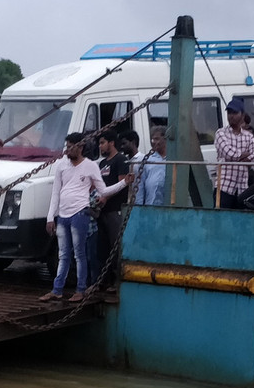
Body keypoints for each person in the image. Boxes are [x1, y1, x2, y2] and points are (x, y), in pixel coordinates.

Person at [41, 133, 132, 303]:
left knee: (79, 253)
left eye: (71, 146)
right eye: (66, 146)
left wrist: (124, 183)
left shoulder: (90, 166)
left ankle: (80, 289)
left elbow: (103, 191)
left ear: (80, 147)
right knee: (63, 254)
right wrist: (50, 217)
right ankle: (57, 289)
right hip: (62, 214)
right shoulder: (61, 165)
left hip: (80, 213)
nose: (68, 150)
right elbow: (55, 193)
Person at [95, 132, 129, 288]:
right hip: (101, 211)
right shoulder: (102, 164)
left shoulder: (120, 160)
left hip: (114, 209)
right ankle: (103, 281)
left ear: (111, 143)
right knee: (102, 248)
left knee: (115, 246)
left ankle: (116, 282)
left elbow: (122, 183)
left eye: (103, 143)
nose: (100, 146)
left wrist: (106, 198)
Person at [213, 97, 254, 209]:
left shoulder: (248, 135)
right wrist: (244, 155)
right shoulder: (220, 133)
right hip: (224, 187)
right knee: (221, 221)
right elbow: (229, 153)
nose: (231, 116)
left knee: (239, 222)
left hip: (242, 188)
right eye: (229, 113)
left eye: (235, 112)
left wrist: (241, 156)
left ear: (242, 115)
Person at [135, 126, 167, 206]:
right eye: (152, 139)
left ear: (165, 139)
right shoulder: (148, 159)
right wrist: (139, 205)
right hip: (151, 203)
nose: (153, 142)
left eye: (157, 139)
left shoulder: (174, 157)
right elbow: (140, 185)